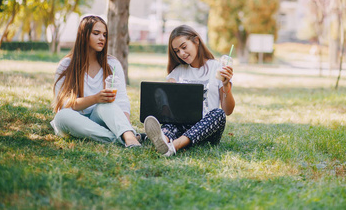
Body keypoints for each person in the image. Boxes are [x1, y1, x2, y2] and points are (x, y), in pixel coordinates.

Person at [143, 25, 235, 156]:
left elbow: (228, 111)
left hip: (208, 131)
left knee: (218, 113)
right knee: (172, 122)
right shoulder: (178, 72)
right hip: (183, 126)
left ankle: (175, 145)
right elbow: (167, 106)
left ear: (196, 41)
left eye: (184, 47)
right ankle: (163, 141)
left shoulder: (217, 68)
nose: (181, 53)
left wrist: (226, 86)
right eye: (177, 51)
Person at [50, 15, 141, 147]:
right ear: (83, 35)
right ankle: (121, 138)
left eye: (104, 35)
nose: (102, 38)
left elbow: (122, 101)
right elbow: (64, 104)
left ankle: (128, 136)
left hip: (100, 118)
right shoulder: (66, 65)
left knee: (107, 105)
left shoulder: (112, 64)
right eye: (96, 33)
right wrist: (95, 98)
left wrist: (126, 125)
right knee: (62, 116)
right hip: (73, 120)